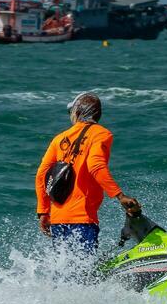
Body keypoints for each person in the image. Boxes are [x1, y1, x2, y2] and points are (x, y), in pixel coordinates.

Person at [34, 92, 140, 252]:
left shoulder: (59, 138)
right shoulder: (101, 134)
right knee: (83, 271)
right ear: (98, 114)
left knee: (65, 272)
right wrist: (120, 196)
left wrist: (43, 212)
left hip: (58, 220)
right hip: (82, 219)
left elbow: (42, 175)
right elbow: (95, 165)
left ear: (77, 113)